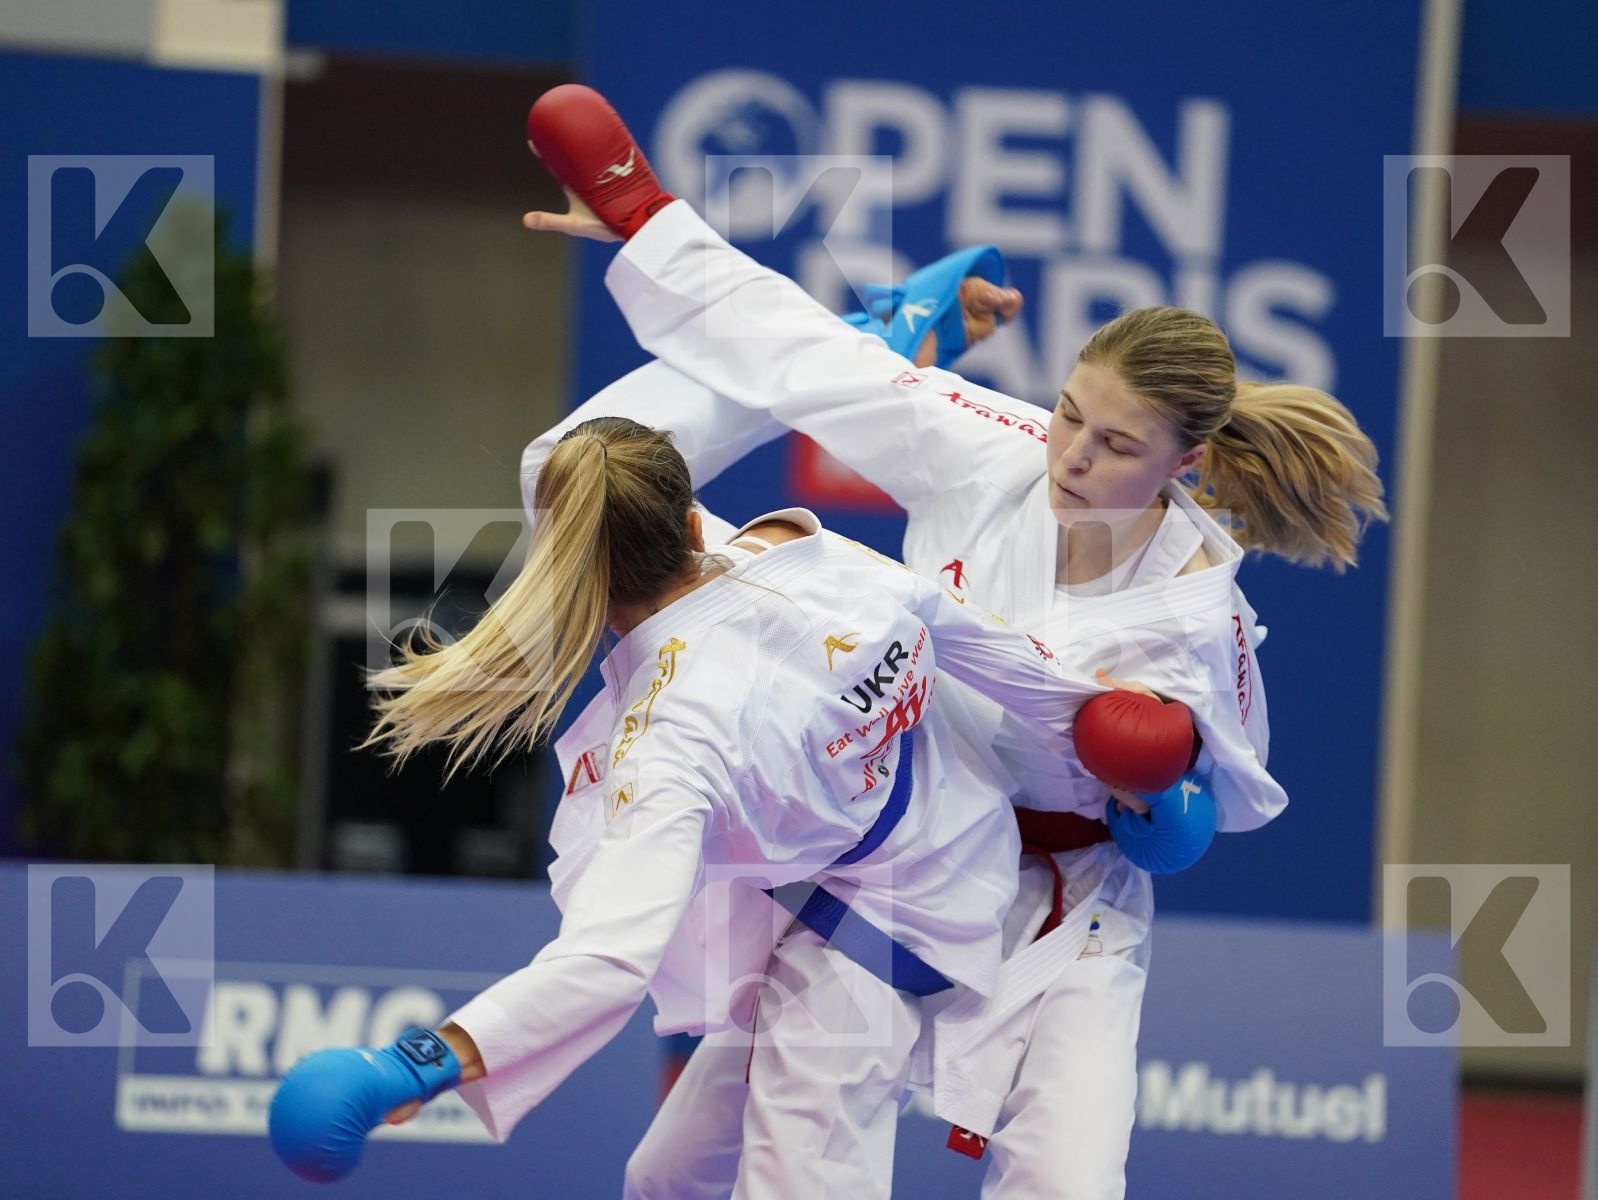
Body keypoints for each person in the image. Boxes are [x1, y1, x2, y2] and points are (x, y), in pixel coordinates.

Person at [519, 84, 1388, 1198]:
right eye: (1068, 412)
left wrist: (1163, 806)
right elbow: (802, 353)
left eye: (1117, 445)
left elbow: (1212, 804)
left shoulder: (1195, 617)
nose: (1071, 456)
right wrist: (645, 218)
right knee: (671, 1173)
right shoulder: (997, 449)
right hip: (899, 850)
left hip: (1067, 904)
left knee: (1068, 1188)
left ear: (1184, 466)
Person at [267, 415, 1185, 1198]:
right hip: (945, 845)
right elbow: (972, 638)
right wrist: (1114, 730)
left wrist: (416, 1065)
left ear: (576, 575)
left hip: (874, 945)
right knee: (665, 1180)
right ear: (689, 520)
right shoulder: (802, 552)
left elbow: (606, 959)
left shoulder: (676, 740)